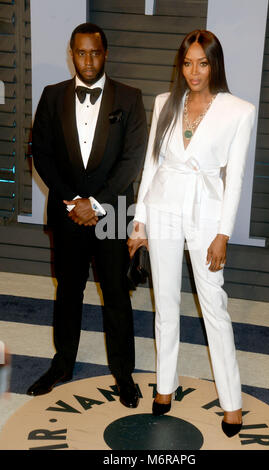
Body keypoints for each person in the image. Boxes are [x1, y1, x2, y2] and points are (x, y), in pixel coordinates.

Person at [128, 29, 255, 436]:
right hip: (162, 207)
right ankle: (164, 386)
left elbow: (233, 178)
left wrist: (224, 233)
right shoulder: (166, 102)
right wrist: (139, 223)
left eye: (202, 63)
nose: (194, 71)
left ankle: (231, 402)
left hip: (207, 215)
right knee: (164, 302)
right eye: (187, 63)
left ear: (214, 63)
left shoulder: (239, 110)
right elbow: (152, 165)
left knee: (213, 306)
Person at [27, 23, 148, 409]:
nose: (88, 60)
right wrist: (71, 200)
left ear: (105, 53)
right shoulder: (51, 96)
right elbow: (40, 153)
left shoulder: (129, 98)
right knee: (68, 292)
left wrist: (94, 203)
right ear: (71, 54)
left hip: (111, 213)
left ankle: (124, 374)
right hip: (67, 213)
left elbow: (132, 161)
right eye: (81, 53)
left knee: (116, 295)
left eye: (95, 52)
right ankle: (61, 365)